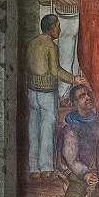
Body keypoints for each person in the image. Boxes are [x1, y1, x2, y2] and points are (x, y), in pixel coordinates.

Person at [26, 15, 83, 178]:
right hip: (46, 93)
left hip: (32, 91)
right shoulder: (51, 45)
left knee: (33, 129)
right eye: (58, 26)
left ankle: (33, 168)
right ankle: (45, 168)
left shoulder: (31, 43)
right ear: (52, 28)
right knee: (47, 129)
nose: (59, 29)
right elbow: (55, 70)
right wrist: (74, 79)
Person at [51, 85, 99, 197]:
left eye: (88, 94)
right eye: (81, 96)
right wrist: (86, 174)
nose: (87, 98)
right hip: (79, 178)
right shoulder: (71, 129)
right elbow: (71, 159)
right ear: (74, 103)